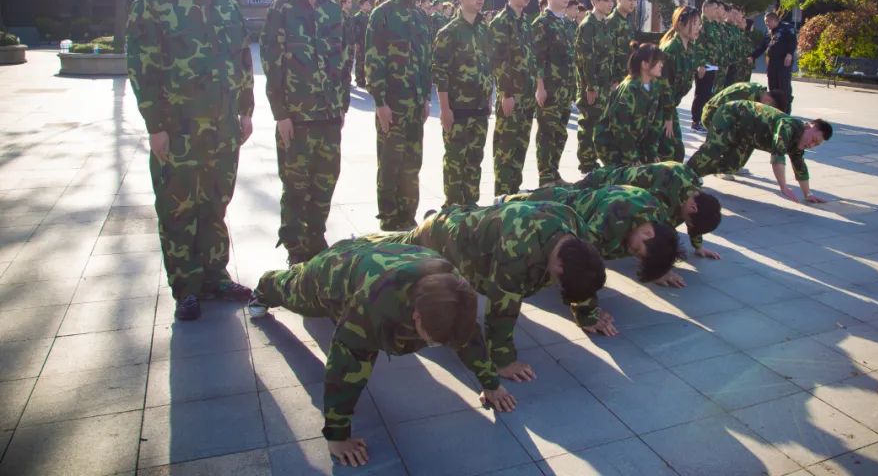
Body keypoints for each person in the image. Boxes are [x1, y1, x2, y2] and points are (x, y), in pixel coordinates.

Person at [247, 240, 514, 467]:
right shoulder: (373, 307)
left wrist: (491, 384)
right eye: (431, 340)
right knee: (293, 292)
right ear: (416, 315)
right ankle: (265, 286)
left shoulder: (454, 294)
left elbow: (469, 338)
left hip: (383, 257)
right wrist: (337, 436)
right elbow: (346, 366)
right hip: (335, 270)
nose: (432, 346)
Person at [126, 0, 254, 320]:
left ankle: (215, 276)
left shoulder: (226, 4)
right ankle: (186, 287)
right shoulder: (152, 6)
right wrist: (155, 125)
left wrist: (246, 110)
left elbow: (242, 61)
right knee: (178, 208)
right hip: (178, 130)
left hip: (223, 128)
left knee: (216, 204)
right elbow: (142, 70)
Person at [375, 201, 606, 382]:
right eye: (558, 281)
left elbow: (585, 272)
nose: (555, 284)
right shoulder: (518, 250)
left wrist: (587, 315)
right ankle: (354, 248)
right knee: (391, 252)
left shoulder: (576, 232)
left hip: (475, 224)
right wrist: (503, 361)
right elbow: (501, 308)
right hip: (444, 237)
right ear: (559, 266)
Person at [260, 0, 352, 265]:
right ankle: (295, 250)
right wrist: (280, 113)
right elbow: (272, 63)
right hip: (296, 117)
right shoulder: (282, 8)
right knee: (296, 187)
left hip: (329, 115)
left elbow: (344, 60)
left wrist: (342, 106)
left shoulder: (332, 10)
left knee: (325, 182)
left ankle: (316, 240)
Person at [504, 185, 683, 300]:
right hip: (550, 206)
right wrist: (588, 315)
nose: (631, 251)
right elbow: (579, 263)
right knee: (511, 212)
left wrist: (660, 266)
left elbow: (664, 243)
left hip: (579, 202)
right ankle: (505, 200)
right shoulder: (611, 218)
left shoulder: (657, 218)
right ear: (648, 233)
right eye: (637, 251)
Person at [365, 0, 431, 230]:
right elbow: (373, 60)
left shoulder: (419, 15)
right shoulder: (382, 15)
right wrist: (380, 102)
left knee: (412, 164)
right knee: (391, 163)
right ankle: (390, 221)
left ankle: (408, 217)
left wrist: (426, 97)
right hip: (392, 104)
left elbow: (425, 59)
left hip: (416, 104)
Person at [575, 161, 723, 260]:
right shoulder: (667, 184)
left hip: (615, 196)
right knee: (568, 205)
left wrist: (698, 247)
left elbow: (697, 219)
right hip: (600, 183)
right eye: (688, 223)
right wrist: (660, 269)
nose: (686, 224)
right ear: (692, 207)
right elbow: (654, 231)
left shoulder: (695, 193)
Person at [688, 101, 831, 203]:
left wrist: (808, 194)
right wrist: (784, 187)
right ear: (808, 126)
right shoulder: (788, 126)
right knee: (713, 150)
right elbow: (777, 157)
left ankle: (695, 174)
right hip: (731, 115)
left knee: (732, 166)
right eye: (813, 139)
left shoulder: (798, 144)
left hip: (746, 135)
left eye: (815, 144)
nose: (810, 145)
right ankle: (684, 175)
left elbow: (800, 167)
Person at [433, 0, 493, 207]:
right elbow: (440, 73)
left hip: (479, 108)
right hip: (457, 109)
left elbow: (488, 66)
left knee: (475, 159)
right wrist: (445, 109)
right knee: (455, 161)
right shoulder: (449, 32)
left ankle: (471, 204)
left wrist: (488, 99)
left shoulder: (483, 30)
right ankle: (453, 207)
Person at [490, 0, 538, 196]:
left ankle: (514, 191)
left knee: (520, 146)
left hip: (527, 97)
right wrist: (505, 93)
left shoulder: (526, 22)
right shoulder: (501, 22)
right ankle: (502, 195)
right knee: (505, 149)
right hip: (511, 96)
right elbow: (498, 60)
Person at [532, 0, 577, 186]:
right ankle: (546, 176)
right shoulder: (542, 23)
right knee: (547, 134)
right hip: (549, 89)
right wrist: (540, 87)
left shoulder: (568, 23)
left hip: (565, 90)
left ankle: (554, 171)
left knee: (560, 133)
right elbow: (537, 59)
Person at [594, 42, 664, 168]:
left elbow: (656, 125)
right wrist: (631, 157)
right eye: (657, 61)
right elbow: (620, 127)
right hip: (612, 146)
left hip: (633, 145)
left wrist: (651, 153)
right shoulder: (629, 89)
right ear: (644, 64)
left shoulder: (655, 87)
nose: (661, 65)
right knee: (629, 181)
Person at [574, 0, 617, 173]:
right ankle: (587, 163)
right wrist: (590, 87)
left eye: (612, 0)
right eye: (607, 0)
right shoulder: (588, 26)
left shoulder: (604, 24)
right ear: (595, 1)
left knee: (600, 125)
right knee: (588, 125)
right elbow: (586, 60)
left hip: (605, 84)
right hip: (592, 86)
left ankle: (594, 161)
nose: (611, 4)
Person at [657, 6, 702, 162]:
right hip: (659, 108)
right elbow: (664, 87)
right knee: (668, 151)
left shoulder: (689, 48)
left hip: (670, 106)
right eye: (695, 23)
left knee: (676, 152)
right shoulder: (670, 49)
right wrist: (668, 117)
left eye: (699, 23)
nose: (698, 28)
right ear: (681, 24)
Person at [690, 0, 729, 133]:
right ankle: (696, 121)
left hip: (713, 66)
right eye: (714, 9)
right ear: (706, 9)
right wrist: (700, 64)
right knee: (701, 94)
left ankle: (703, 120)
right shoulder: (701, 24)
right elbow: (698, 45)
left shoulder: (712, 25)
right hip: (704, 66)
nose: (716, 11)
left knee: (707, 95)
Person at [750, 11, 797, 111]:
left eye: (767, 21)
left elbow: (793, 41)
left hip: (783, 63)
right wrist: (752, 56)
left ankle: (786, 110)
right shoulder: (769, 33)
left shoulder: (787, 28)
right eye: (765, 22)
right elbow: (762, 47)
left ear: (773, 19)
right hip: (772, 64)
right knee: (773, 89)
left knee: (784, 89)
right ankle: (775, 110)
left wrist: (789, 54)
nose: (766, 24)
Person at [607, 0, 638, 90]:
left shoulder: (629, 20)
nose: (633, 3)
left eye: (635, 0)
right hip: (617, 80)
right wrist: (613, 80)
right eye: (630, 0)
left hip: (629, 75)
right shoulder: (611, 22)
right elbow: (608, 55)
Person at [723, 5, 755, 86]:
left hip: (736, 65)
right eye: (733, 13)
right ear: (727, 13)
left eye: (737, 14)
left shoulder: (735, 29)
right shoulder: (723, 28)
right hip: (726, 66)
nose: (736, 16)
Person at [351, 0, 372, 89]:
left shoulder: (368, 16)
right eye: (367, 4)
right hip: (360, 43)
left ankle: (365, 79)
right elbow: (354, 31)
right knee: (360, 61)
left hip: (367, 42)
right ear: (361, 6)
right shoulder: (357, 17)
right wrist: (356, 43)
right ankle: (359, 80)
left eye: (369, 4)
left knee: (366, 61)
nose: (369, 6)